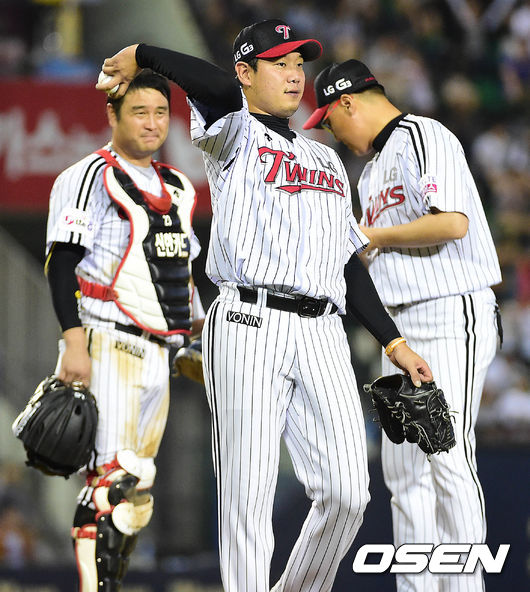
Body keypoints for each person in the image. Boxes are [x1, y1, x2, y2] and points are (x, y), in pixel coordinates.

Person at [96, 20, 433, 592]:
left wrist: (394, 341)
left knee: (348, 492)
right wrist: (143, 53)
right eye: (279, 63)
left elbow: (347, 262)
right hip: (248, 320)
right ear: (246, 74)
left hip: (323, 329)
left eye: (299, 64)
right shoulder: (232, 133)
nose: (295, 74)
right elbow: (214, 88)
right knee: (247, 494)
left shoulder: (326, 159)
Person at [303, 59, 502, 592]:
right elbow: (376, 252)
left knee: (448, 457)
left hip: (450, 309)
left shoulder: (423, 135)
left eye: (329, 119)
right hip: (403, 330)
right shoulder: (370, 173)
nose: (331, 132)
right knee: (404, 474)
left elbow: (452, 223)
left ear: (348, 101)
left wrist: (371, 235)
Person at [45, 70, 205, 591]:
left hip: (160, 352)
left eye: (161, 113)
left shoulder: (178, 185)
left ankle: (111, 584)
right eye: (140, 112)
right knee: (110, 479)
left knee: (135, 488)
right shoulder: (88, 175)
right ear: (112, 114)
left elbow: (180, 269)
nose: (152, 123)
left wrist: (194, 335)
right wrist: (72, 340)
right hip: (107, 338)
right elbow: (60, 263)